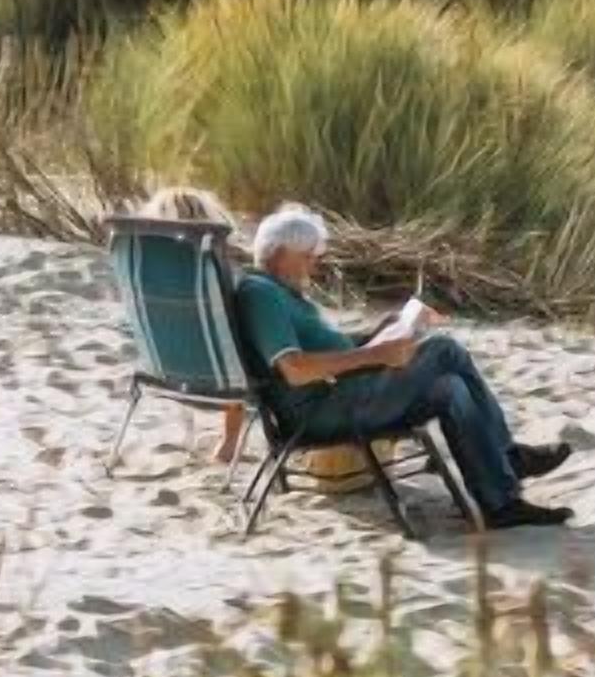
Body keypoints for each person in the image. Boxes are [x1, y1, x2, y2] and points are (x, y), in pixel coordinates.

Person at [232, 205, 573, 530]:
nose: (313, 264)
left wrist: (381, 331)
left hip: (342, 395)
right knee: (444, 349)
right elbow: (295, 369)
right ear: (279, 255)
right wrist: (375, 355)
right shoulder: (261, 294)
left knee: (450, 387)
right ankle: (509, 460)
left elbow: (327, 350)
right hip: (320, 412)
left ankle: (499, 503)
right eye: (307, 256)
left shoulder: (283, 294)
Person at [142, 184, 254, 463]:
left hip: (163, 371)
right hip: (222, 378)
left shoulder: (145, 268)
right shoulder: (210, 270)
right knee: (238, 333)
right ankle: (229, 442)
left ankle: (193, 435)